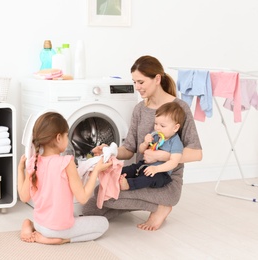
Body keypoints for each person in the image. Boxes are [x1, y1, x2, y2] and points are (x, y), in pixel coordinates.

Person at [83, 55, 202, 231]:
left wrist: (163, 155)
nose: (137, 87)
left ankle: (161, 206)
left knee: (107, 197)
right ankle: (141, 201)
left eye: (141, 82)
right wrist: (110, 151)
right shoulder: (140, 109)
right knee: (91, 206)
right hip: (140, 175)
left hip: (164, 181)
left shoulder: (179, 108)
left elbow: (197, 153)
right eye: (134, 82)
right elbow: (129, 149)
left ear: (157, 79)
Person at [17, 112, 112, 244]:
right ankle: (62, 240)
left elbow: (23, 197)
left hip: (40, 223)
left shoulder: (34, 161)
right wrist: (96, 170)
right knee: (103, 224)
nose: (68, 140)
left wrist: (20, 170)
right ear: (58, 138)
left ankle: (31, 225)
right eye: (67, 136)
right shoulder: (66, 162)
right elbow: (83, 198)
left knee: (66, 217)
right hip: (58, 230)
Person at [119, 102, 185, 191]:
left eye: (162, 126)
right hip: (143, 165)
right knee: (129, 169)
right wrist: (145, 143)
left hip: (160, 173)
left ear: (175, 128)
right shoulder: (155, 136)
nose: (157, 128)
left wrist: (156, 169)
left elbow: (173, 162)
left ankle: (129, 184)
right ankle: (114, 174)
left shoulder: (175, 142)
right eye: (156, 124)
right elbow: (141, 151)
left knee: (149, 179)